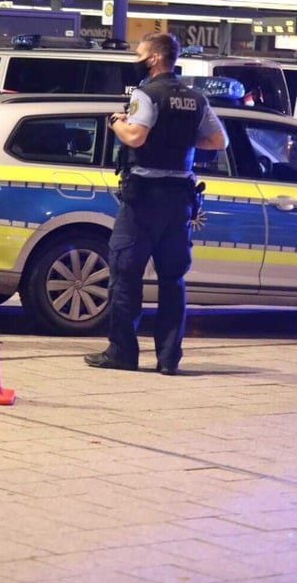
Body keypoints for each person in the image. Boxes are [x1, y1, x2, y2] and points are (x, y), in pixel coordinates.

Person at [84, 32, 227, 376]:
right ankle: (167, 359)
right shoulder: (196, 99)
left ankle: (122, 353)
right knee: (172, 280)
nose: (135, 59)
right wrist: (177, 136)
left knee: (125, 273)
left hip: (143, 198)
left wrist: (118, 122)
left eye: (139, 54)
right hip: (179, 199)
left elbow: (136, 136)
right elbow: (217, 140)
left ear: (153, 59)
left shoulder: (145, 95)